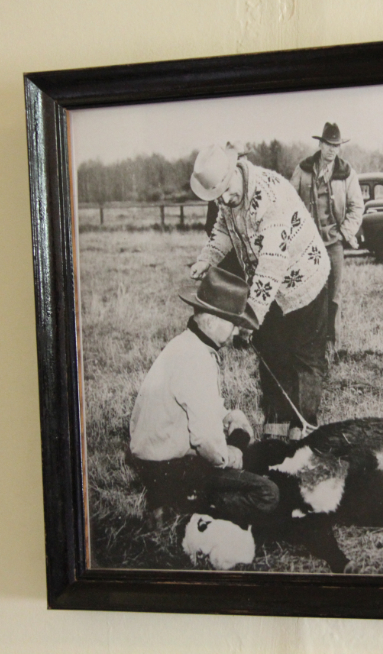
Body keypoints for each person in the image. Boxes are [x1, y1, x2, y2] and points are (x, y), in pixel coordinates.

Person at [189, 144, 331, 440]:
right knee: (272, 353)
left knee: (306, 358)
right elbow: (224, 230)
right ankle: (276, 431)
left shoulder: (269, 194)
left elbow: (272, 263)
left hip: (305, 280)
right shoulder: (227, 200)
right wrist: (207, 258)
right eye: (219, 197)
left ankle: (305, 432)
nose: (225, 200)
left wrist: (252, 313)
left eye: (228, 191)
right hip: (269, 290)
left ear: (236, 169)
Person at [127, 267, 280, 526]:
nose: (234, 333)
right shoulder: (196, 359)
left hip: (155, 462)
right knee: (268, 493)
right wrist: (229, 455)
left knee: (253, 458)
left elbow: (197, 407)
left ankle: (181, 501)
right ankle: (186, 510)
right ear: (212, 320)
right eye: (233, 323)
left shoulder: (186, 345)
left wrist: (230, 416)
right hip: (169, 468)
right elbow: (206, 441)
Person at [290, 123, 365, 353]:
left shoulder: (347, 173)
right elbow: (289, 203)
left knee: (333, 294)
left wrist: (344, 233)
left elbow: (357, 207)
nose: (332, 150)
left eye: (336, 145)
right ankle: (308, 342)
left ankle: (331, 344)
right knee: (308, 292)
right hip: (306, 245)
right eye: (328, 144)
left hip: (333, 244)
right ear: (320, 144)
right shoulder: (302, 170)